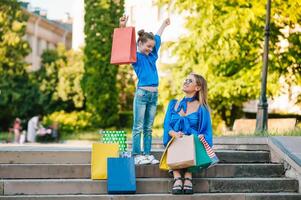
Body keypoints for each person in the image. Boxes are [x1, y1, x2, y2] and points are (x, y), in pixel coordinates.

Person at [119, 15, 170, 165]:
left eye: (152, 47)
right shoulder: (136, 57)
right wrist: (123, 26)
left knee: (148, 128)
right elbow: (123, 45)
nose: (150, 49)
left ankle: (147, 154)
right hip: (142, 94)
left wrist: (164, 24)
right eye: (147, 46)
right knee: (138, 126)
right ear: (139, 44)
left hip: (153, 95)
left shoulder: (152, 54)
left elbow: (158, 37)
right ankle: (136, 154)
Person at [163, 73, 213, 195]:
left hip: (192, 144)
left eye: (189, 81)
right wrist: (173, 133)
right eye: (185, 80)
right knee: (174, 141)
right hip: (174, 141)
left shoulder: (202, 108)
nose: (185, 82)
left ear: (197, 87)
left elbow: (206, 131)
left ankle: (188, 176)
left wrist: (200, 137)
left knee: (195, 139)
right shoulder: (173, 104)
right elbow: (166, 126)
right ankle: (177, 177)